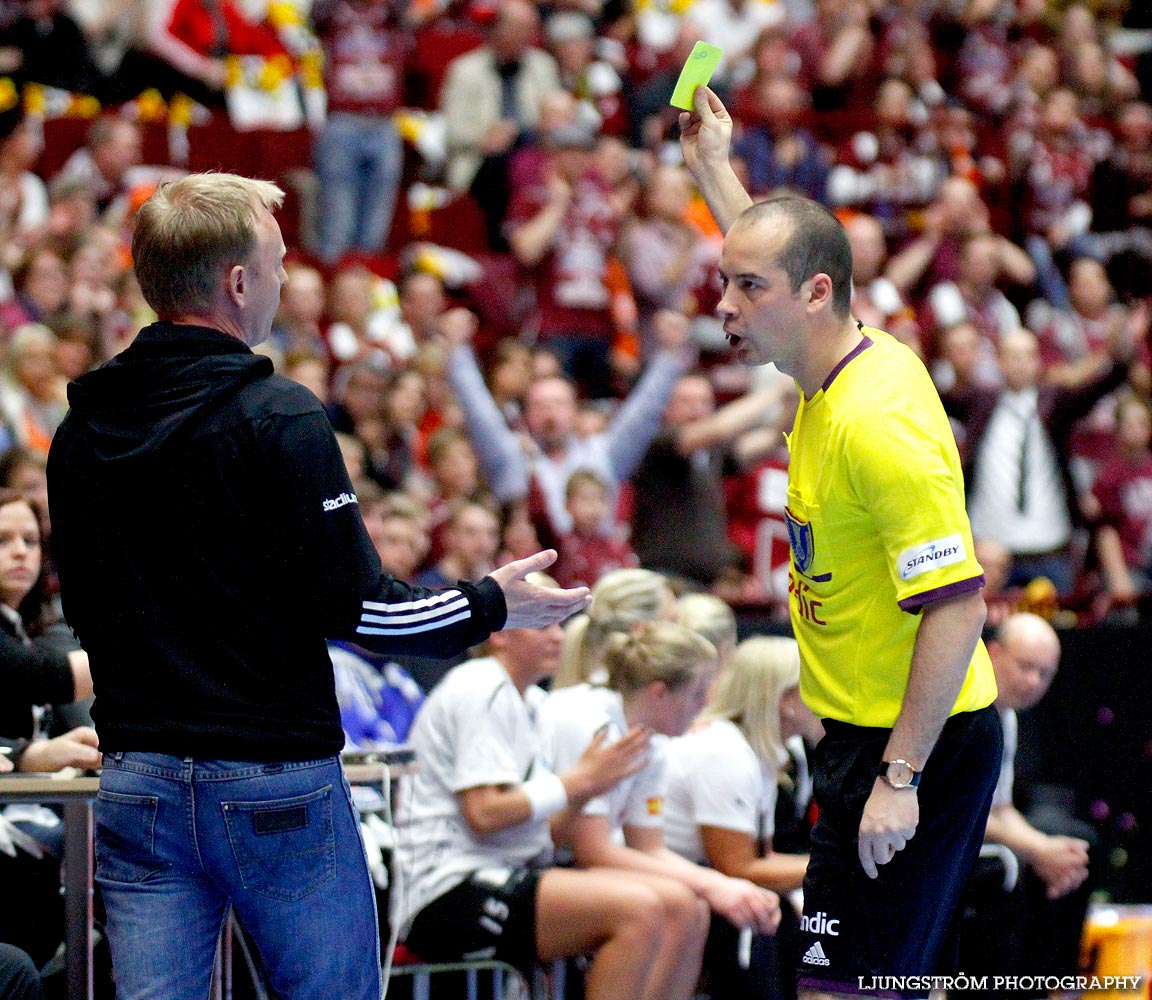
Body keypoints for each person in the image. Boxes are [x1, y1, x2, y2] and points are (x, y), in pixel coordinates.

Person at [45, 172, 593, 1000]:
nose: (285, 279)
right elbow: (362, 609)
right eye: (274, 262)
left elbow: (81, 608)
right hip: (273, 777)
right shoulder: (281, 414)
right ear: (236, 283)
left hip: (138, 776)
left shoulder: (81, 431)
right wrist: (490, 603)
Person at [679, 86, 1002, 997]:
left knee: (851, 991)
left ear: (817, 296)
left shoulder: (877, 423)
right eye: (724, 281)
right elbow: (783, 252)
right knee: (849, 984)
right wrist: (712, 165)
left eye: (747, 289)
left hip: (916, 746)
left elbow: (958, 604)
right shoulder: (823, 353)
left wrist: (899, 774)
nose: (727, 306)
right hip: (862, 737)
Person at [540, 622, 781, 948]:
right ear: (658, 692)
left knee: (693, 905)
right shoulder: (591, 722)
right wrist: (711, 884)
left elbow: (648, 846)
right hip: (538, 863)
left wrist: (718, 883)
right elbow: (591, 850)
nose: (705, 705)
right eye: (697, 693)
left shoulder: (652, 743)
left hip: (570, 863)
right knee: (678, 903)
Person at [663, 636, 820, 1000]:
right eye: (815, 686)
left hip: (698, 875)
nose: (827, 697)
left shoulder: (764, 752)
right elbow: (737, 869)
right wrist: (836, 871)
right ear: (785, 700)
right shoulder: (725, 753)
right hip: (678, 879)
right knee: (767, 909)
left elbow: (764, 858)